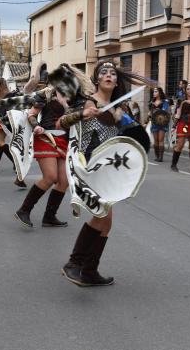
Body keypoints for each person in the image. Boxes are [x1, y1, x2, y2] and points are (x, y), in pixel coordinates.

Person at [58, 60, 134, 287]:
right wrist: (83, 114)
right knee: (102, 216)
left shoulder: (121, 107)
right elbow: (62, 122)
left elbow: (133, 137)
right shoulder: (88, 102)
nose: (109, 75)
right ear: (97, 79)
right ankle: (74, 263)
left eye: (113, 73)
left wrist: (126, 123)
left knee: (106, 222)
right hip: (89, 165)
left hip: (109, 168)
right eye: (104, 72)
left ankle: (89, 270)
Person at [13, 71, 71, 228]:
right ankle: (24, 210)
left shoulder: (73, 96)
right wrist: (36, 126)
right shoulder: (45, 94)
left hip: (64, 140)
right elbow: (31, 114)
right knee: (51, 177)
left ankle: (49, 216)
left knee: (64, 181)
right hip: (46, 137)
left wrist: (65, 104)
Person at [147, 87, 170, 162]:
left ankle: (161, 157)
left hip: (162, 123)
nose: (154, 93)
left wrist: (158, 111)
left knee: (161, 140)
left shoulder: (164, 102)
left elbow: (166, 111)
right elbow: (150, 112)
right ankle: (157, 156)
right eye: (153, 91)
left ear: (159, 92)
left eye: (155, 91)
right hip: (154, 123)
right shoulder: (151, 102)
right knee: (155, 140)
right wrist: (149, 114)